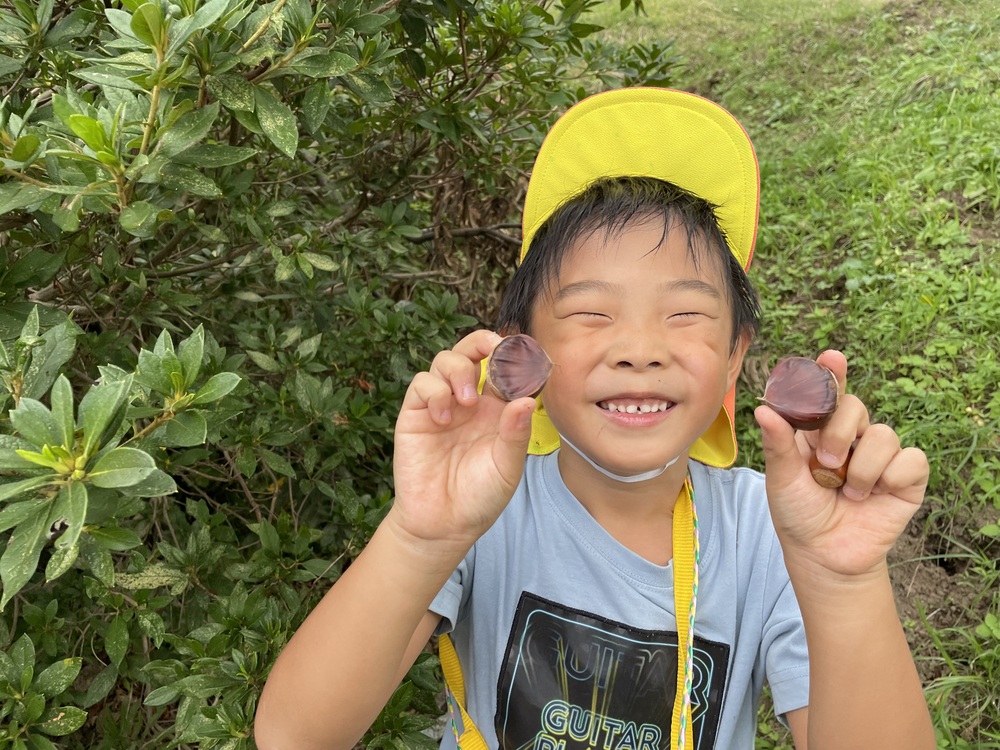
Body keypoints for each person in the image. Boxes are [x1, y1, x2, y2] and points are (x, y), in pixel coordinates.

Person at [254, 88, 935, 750]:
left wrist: (844, 582)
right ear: (524, 349)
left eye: (685, 314)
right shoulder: (487, 513)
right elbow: (294, 736)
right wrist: (420, 533)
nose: (639, 350)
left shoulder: (773, 536)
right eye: (591, 313)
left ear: (735, 359)